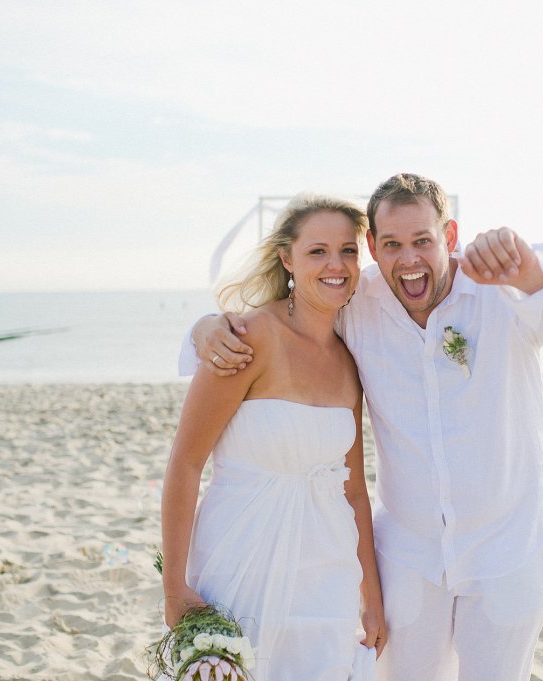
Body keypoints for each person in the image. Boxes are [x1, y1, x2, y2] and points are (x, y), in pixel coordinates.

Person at [186, 173, 543, 681]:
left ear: (449, 237)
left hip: (508, 549)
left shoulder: (501, 294)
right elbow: (283, 328)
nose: (408, 259)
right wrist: (205, 327)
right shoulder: (357, 302)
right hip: (410, 557)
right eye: (391, 244)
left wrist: (529, 269)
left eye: (422, 241)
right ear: (372, 247)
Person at [162, 193, 387, 681]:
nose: (337, 264)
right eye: (318, 251)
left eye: (349, 251)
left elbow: (354, 489)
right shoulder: (247, 337)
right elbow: (184, 464)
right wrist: (173, 587)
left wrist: (371, 598)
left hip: (326, 571)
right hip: (243, 556)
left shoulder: (349, 362)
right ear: (287, 258)